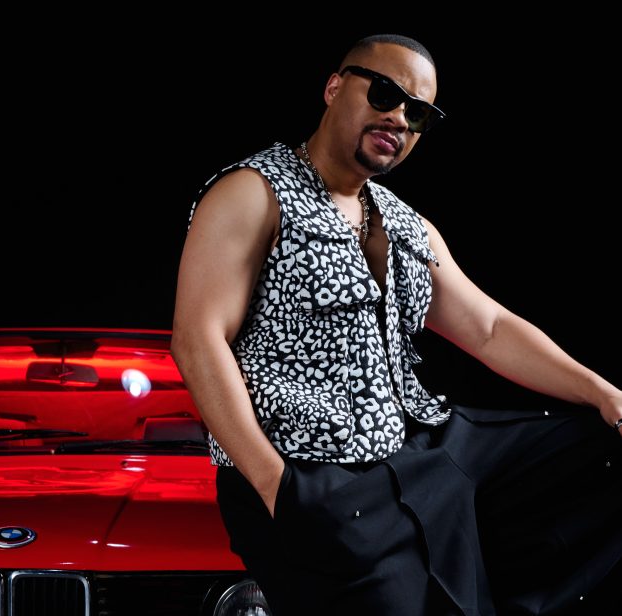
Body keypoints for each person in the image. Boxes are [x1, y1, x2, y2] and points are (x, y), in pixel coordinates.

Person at [170, 33, 622, 616]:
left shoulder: (407, 225)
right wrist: (275, 486)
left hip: (416, 452)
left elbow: (488, 327)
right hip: (311, 472)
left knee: (603, 446)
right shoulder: (254, 193)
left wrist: (605, 393)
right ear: (334, 87)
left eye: (419, 113)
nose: (400, 118)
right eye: (385, 93)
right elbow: (199, 342)